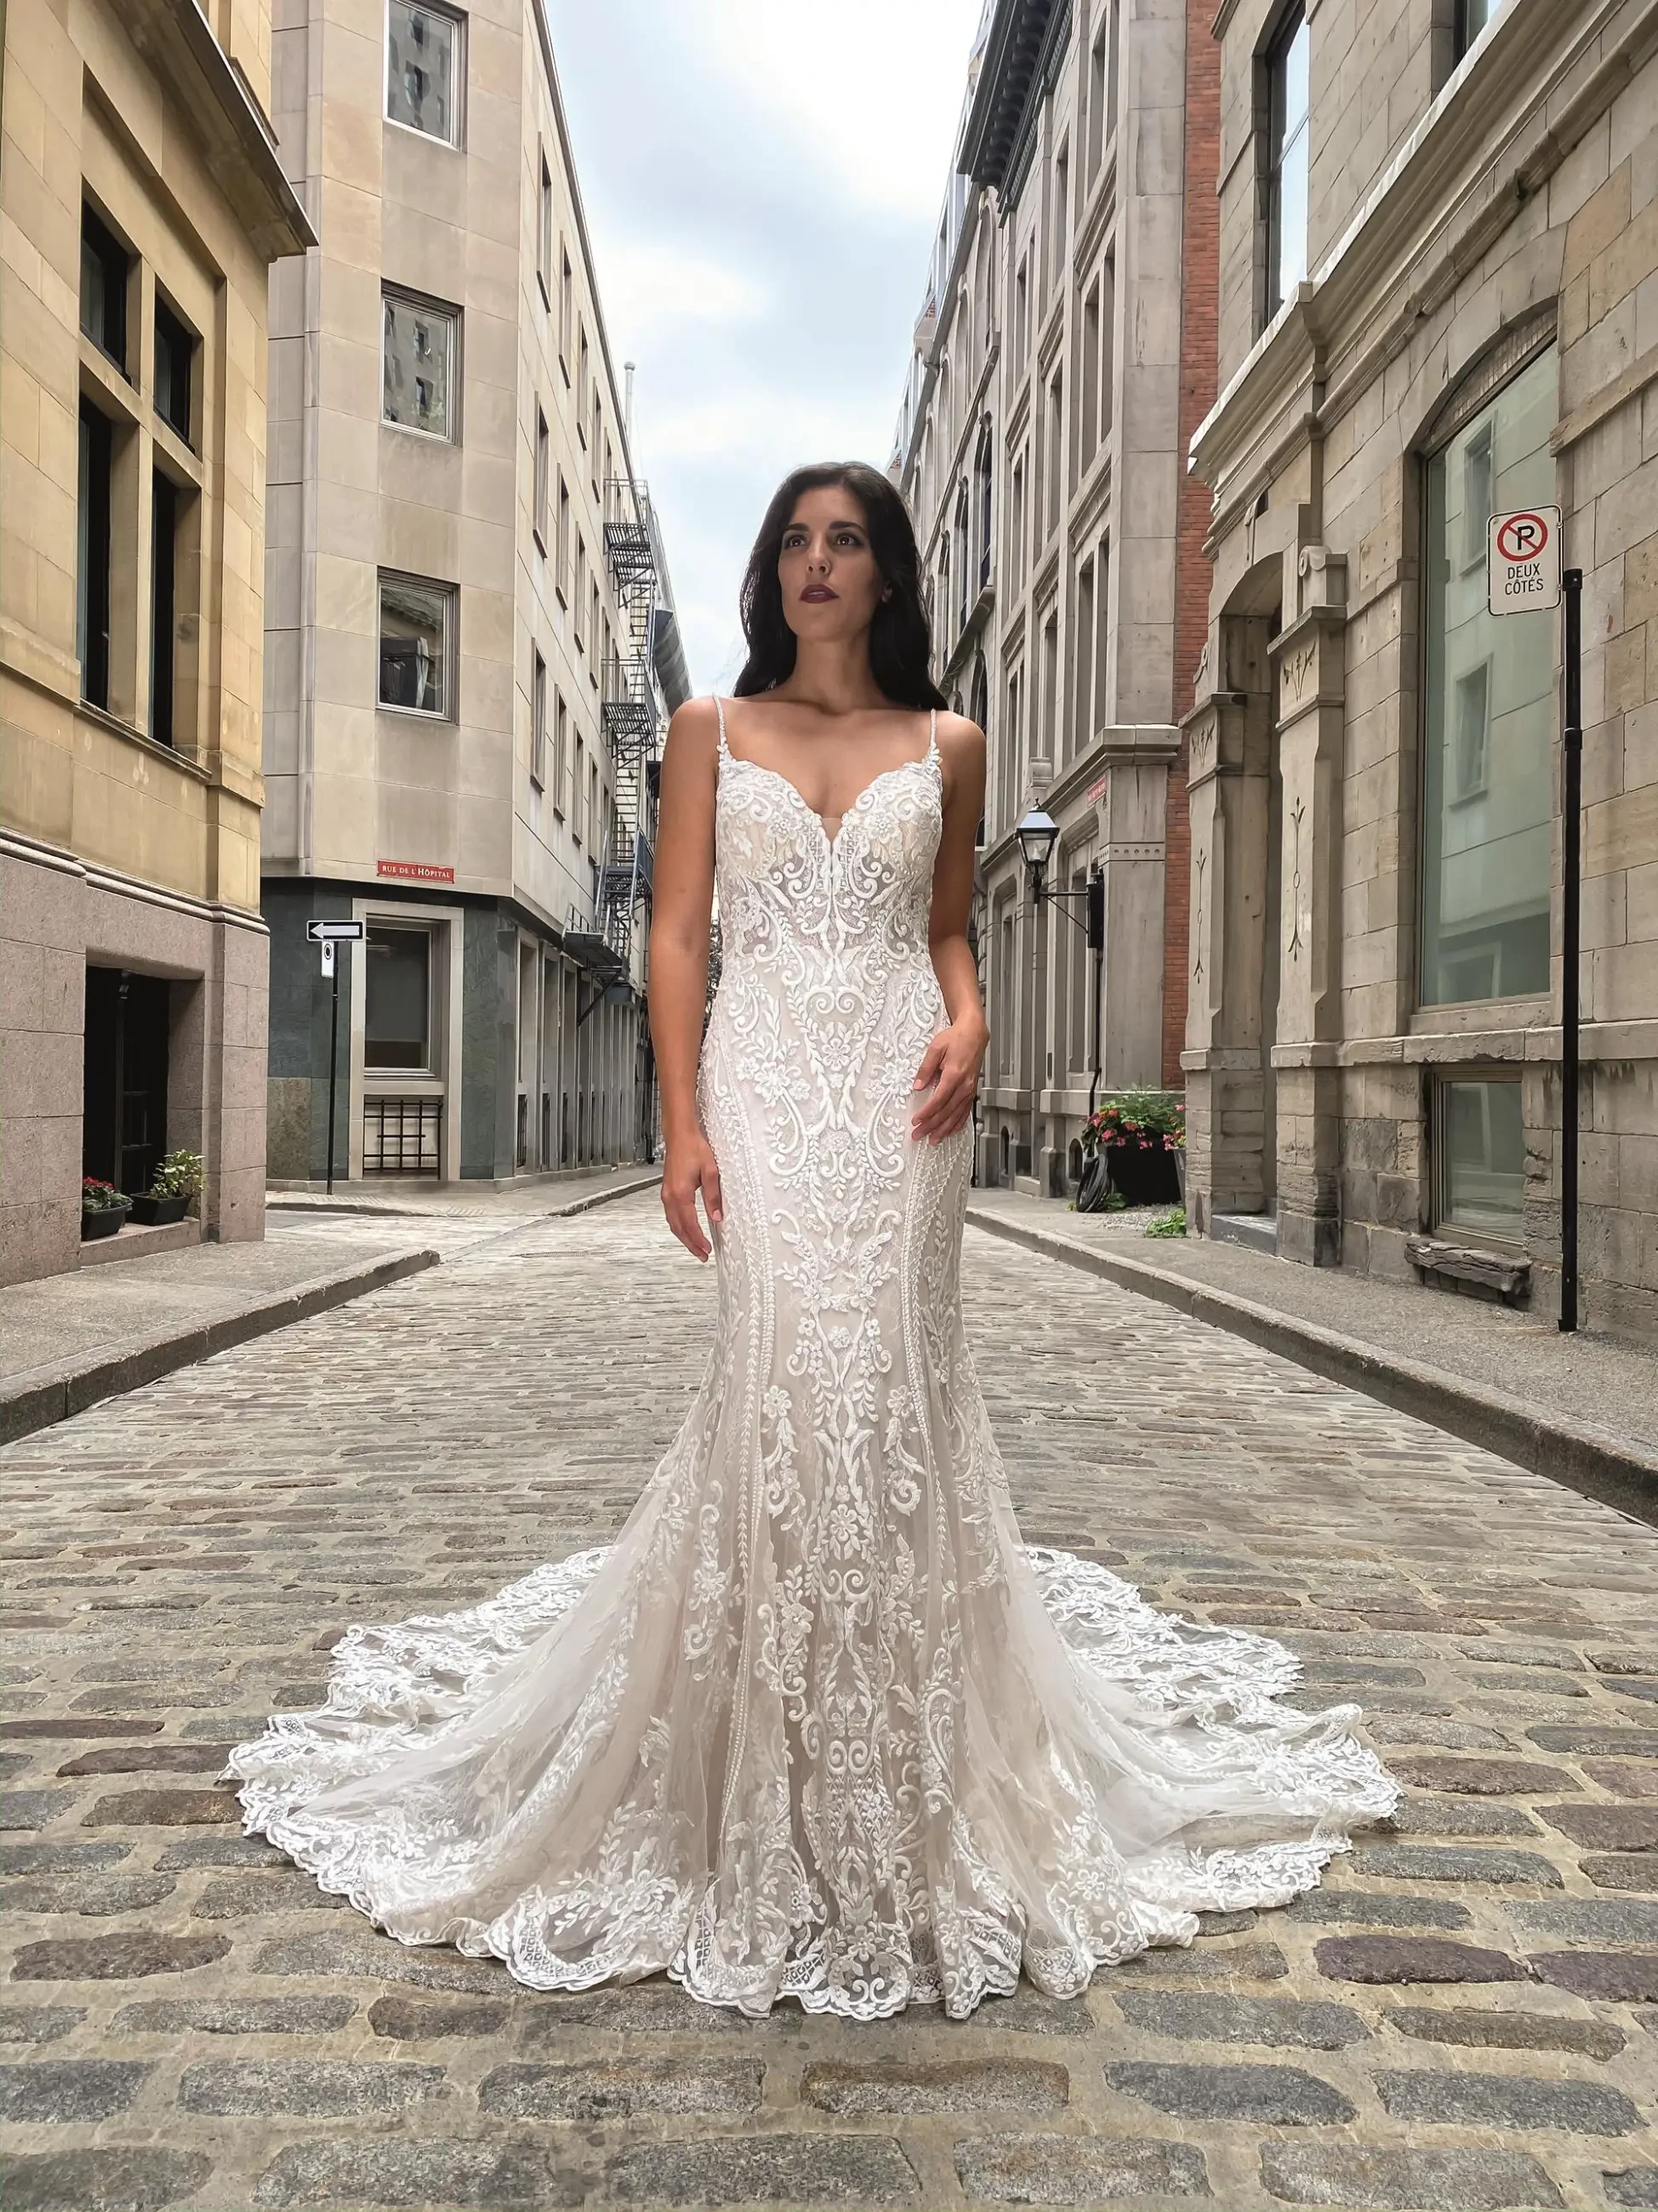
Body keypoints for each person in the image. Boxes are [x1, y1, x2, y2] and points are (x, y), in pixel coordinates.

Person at [229, 462, 1397, 2021]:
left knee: (887, 1396)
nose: (817, 562)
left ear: (891, 572)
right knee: (792, 1383)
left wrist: (976, 1023)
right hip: (767, 1086)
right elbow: (679, 933)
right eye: (794, 538)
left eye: (847, 540)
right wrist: (681, 1121)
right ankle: (758, 1762)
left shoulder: (953, 744)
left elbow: (949, 935)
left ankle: (904, 1776)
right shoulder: (711, 730)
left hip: (904, 1095)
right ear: (769, 566)